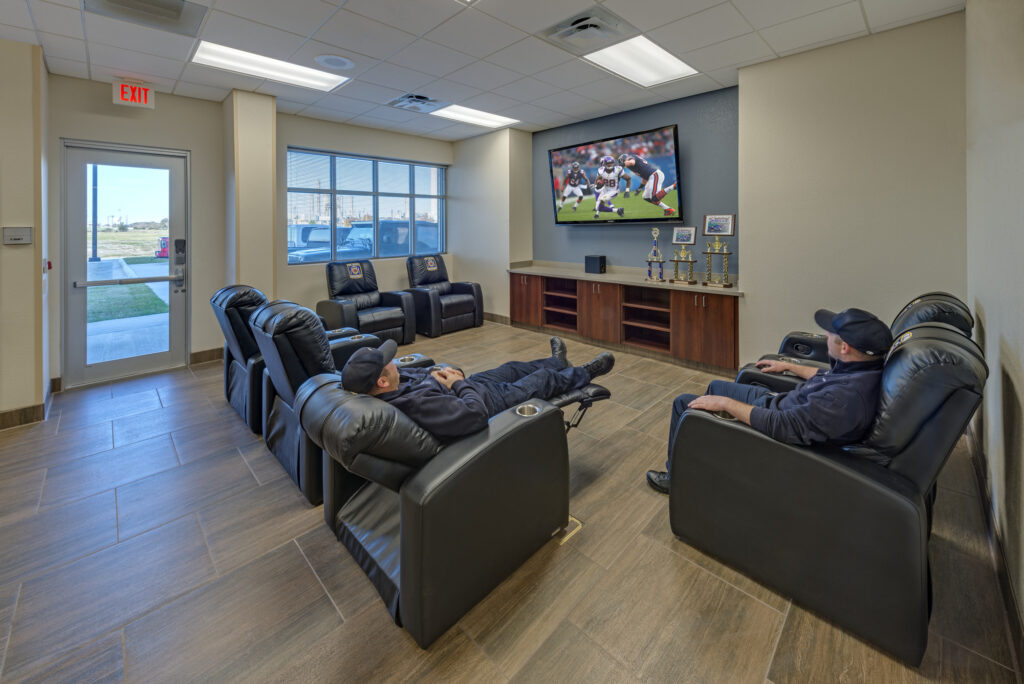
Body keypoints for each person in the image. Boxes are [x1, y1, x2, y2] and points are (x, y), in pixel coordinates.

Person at [646, 307, 894, 494]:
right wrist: (789, 366)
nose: (826, 334)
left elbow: (783, 426)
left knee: (684, 403)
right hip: (779, 403)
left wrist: (725, 404)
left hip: (773, 425)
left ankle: (676, 479)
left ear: (845, 347)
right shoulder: (862, 370)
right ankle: (709, 456)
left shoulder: (842, 400)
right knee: (715, 387)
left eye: (830, 333)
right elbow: (825, 377)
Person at [341, 337, 615, 441]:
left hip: (471, 386)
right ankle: (585, 372)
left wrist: (441, 373)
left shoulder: (395, 384)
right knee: (543, 380)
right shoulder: (415, 404)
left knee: (512, 367)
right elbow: (475, 414)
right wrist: (457, 383)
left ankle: (557, 361)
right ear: (382, 382)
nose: (394, 361)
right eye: (388, 362)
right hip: (490, 402)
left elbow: (419, 373)